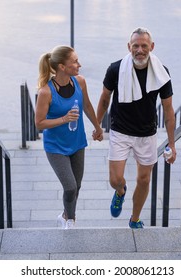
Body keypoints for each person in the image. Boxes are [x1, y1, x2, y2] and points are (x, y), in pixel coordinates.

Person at [96, 27, 176, 229]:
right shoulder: (115, 69)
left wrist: (172, 145)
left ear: (152, 47)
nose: (139, 50)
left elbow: (168, 110)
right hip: (120, 129)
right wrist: (98, 126)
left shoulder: (161, 72)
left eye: (144, 46)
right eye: (135, 46)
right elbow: (105, 98)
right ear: (129, 47)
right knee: (115, 179)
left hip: (146, 133)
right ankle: (120, 192)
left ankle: (134, 218)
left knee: (143, 179)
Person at [35, 45, 104, 229]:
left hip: (77, 142)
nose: (79, 65)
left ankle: (66, 214)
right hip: (56, 147)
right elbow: (39, 123)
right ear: (62, 67)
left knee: (77, 185)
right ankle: (70, 221)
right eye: (74, 62)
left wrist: (98, 127)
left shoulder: (79, 82)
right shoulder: (46, 92)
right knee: (70, 186)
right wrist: (64, 119)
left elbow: (87, 106)